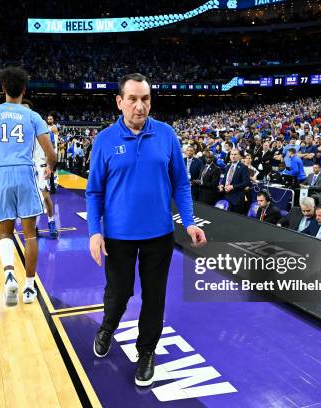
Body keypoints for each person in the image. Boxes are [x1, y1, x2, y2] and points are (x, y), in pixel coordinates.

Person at [86, 73, 206, 387]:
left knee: (154, 298)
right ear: (119, 102)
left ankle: (147, 351)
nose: (140, 106)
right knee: (119, 293)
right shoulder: (105, 140)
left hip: (159, 235)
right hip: (117, 237)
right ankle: (107, 327)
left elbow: (180, 183)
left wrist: (190, 221)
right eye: (133, 99)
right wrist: (94, 232)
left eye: (145, 99)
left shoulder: (166, 135)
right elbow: (94, 192)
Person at [0, 67, 56, 307]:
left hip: (2, 174)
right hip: (25, 173)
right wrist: (50, 167)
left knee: (5, 233)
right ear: (24, 90)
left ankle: (9, 274)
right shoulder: (33, 116)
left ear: (3, 89)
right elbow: (51, 153)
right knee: (30, 234)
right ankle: (30, 287)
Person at [23, 100, 59, 239]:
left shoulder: (40, 124)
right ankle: (35, 225)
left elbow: (50, 148)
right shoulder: (18, 126)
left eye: (26, 108)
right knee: (29, 199)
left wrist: (49, 165)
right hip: (25, 167)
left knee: (45, 197)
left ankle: (51, 222)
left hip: (39, 165)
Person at [218, 149, 251, 213]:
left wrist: (233, 187)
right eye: (232, 154)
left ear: (239, 156)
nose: (233, 156)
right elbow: (225, 179)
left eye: (235, 154)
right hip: (226, 196)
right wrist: (221, 185)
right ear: (230, 156)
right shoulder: (227, 166)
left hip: (236, 199)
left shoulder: (243, 167)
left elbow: (247, 182)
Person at [46, 112, 60, 193]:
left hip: (52, 150)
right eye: (48, 119)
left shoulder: (53, 128)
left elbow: (54, 141)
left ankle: (52, 187)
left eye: (50, 119)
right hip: (50, 150)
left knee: (51, 169)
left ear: (53, 120)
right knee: (51, 169)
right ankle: (52, 186)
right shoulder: (48, 127)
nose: (49, 120)